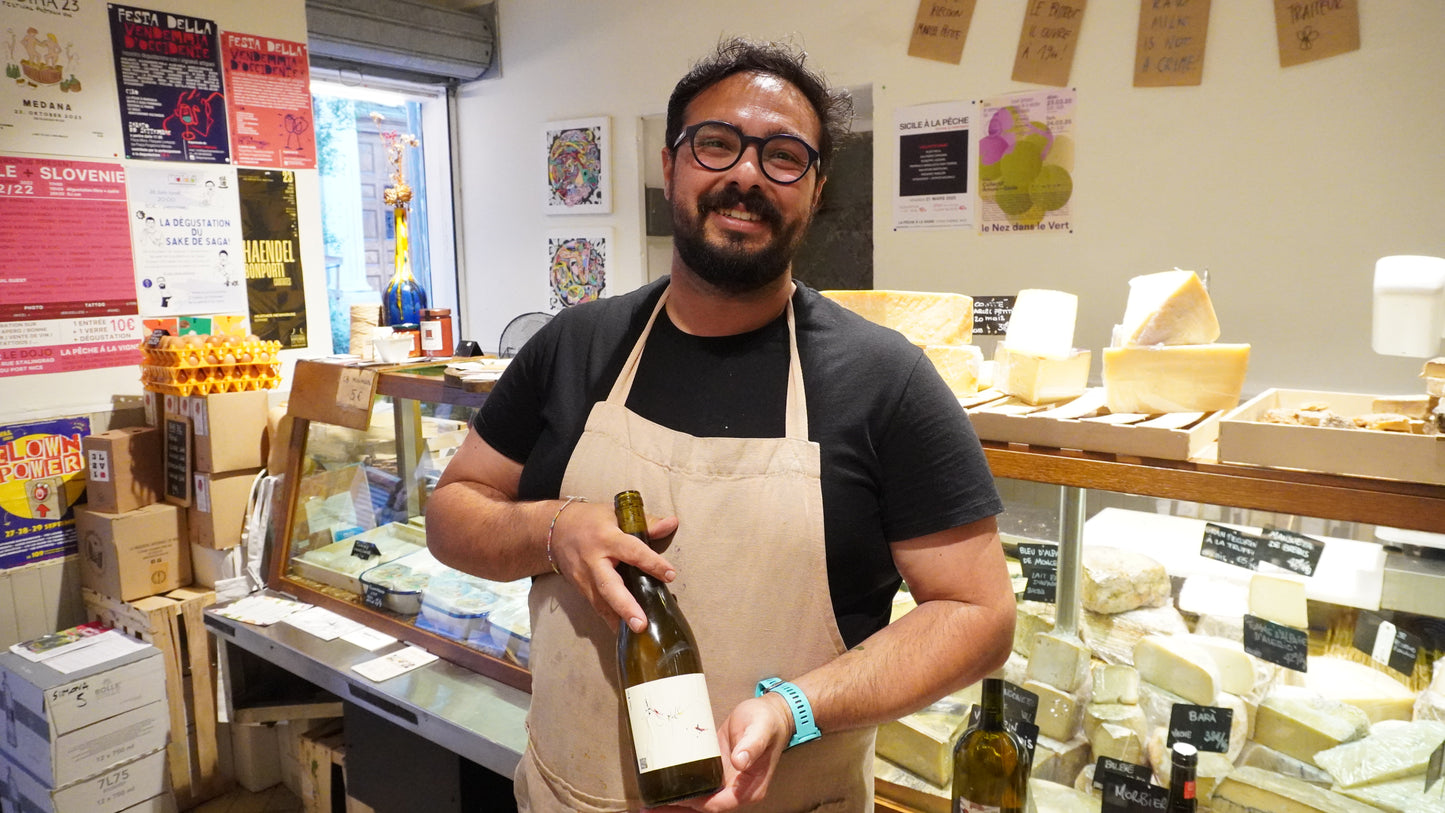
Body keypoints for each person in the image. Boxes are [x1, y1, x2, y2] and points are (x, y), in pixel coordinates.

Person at [428, 37, 1016, 813]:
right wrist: (551, 529)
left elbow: (977, 614)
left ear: (813, 190)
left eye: (782, 156)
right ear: (669, 166)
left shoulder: (885, 380)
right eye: (716, 145)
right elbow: (450, 512)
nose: (744, 174)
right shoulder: (577, 345)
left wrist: (795, 707)